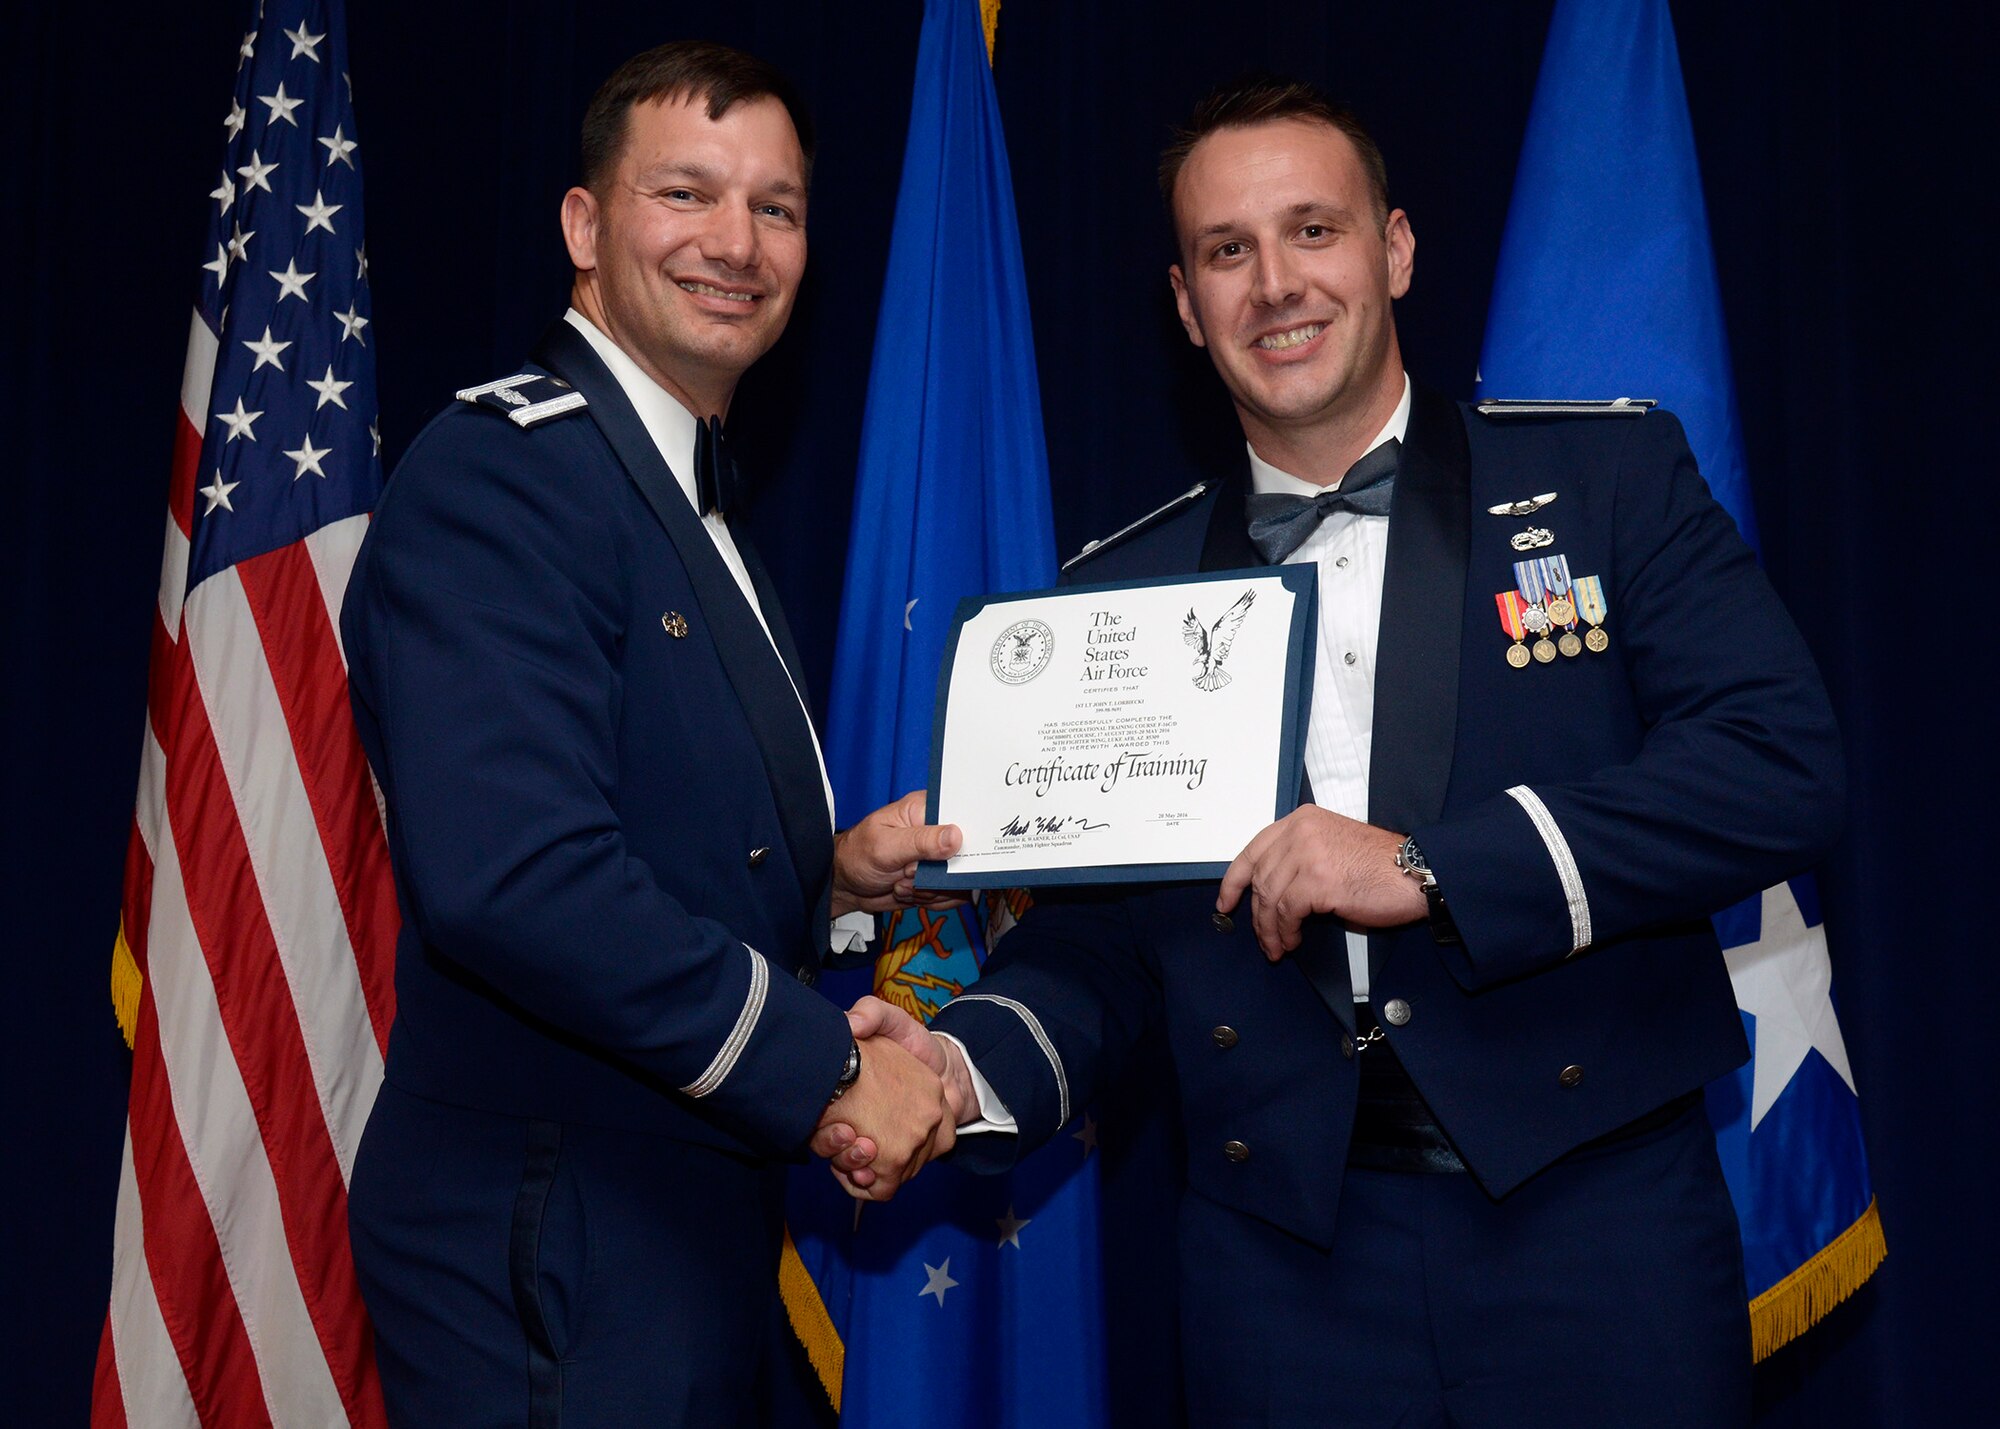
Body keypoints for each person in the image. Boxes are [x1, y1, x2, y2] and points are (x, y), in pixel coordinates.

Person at [825, 76, 1844, 1426]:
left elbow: (1781, 764)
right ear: (1185, 305)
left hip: (1599, 1240)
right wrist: (963, 1065)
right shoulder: (1113, 597)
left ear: (1396, 249)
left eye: (1314, 230)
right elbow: (1100, 951)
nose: (1274, 284)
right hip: (1279, 1279)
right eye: (1226, 252)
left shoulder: (1607, 484)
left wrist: (1433, 864)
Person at [340, 41, 961, 1425]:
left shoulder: (682, 490)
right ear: (583, 226)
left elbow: (671, 846)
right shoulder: (508, 471)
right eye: (686, 193)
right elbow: (518, 877)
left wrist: (833, 887)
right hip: (556, 1222)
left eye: (778, 208)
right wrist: (832, 1070)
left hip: (669, 1213)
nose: (735, 243)